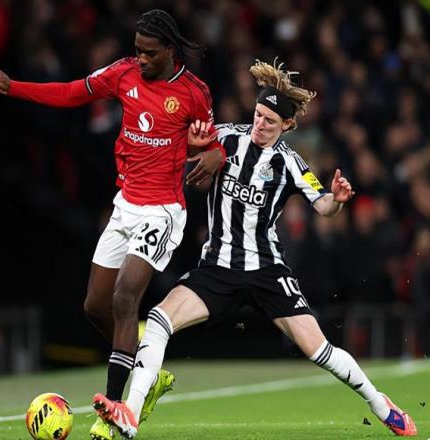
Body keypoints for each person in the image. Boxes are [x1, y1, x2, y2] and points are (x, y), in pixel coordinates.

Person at [93, 59, 418, 438]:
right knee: (158, 320)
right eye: (258, 115)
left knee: (319, 350)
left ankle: (381, 405)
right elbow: (182, 141)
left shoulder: (290, 163)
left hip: (267, 271)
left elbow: (323, 207)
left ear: (287, 125)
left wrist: (338, 199)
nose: (260, 125)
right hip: (217, 268)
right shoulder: (225, 138)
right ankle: (130, 414)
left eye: (270, 121)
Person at [0, 9, 225, 440]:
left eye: (149, 53)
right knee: (95, 306)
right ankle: (148, 368)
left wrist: (212, 156)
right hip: (125, 206)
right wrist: (13, 86)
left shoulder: (193, 92)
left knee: (125, 295)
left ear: (169, 50)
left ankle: (112, 411)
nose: (141, 59)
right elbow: (72, 92)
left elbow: (215, 144)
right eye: (137, 51)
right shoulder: (123, 73)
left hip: (162, 210)